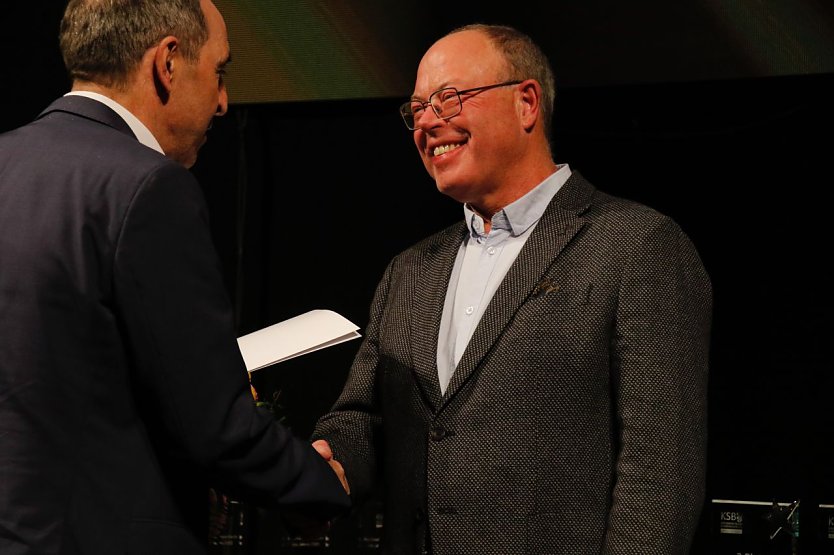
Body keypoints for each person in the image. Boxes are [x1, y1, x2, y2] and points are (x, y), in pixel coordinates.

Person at [312, 23, 712, 554]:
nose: (428, 121)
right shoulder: (410, 270)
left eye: (448, 99)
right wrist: (329, 463)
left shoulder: (637, 246)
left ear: (526, 103)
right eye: (417, 109)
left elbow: (660, 474)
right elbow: (364, 419)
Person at [0, 1, 350, 554]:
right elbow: (214, 428)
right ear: (167, 63)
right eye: (219, 72)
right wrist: (318, 488)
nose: (223, 101)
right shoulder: (146, 188)